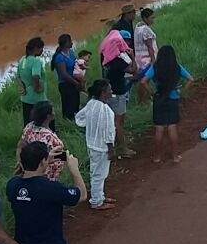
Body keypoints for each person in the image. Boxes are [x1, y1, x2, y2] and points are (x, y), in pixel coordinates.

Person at [139, 46, 194, 164]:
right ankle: (175, 156)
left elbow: (143, 81)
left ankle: (157, 157)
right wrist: (182, 91)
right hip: (173, 99)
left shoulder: (155, 67)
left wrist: (152, 92)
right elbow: (190, 79)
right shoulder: (176, 67)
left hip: (159, 99)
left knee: (159, 128)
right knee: (172, 127)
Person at [75, 80, 117, 210]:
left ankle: (100, 196)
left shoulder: (91, 104)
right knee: (100, 175)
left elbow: (80, 119)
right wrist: (111, 149)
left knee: (96, 173)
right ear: (103, 92)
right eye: (109, 89)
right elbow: (108, 132)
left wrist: (92, 128)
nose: (111, 91)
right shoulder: (106, 110)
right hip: (102, 147)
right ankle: (97, 201)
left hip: (92, 144)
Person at [99, 30, 135, 158]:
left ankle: (110, 148)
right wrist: (131, 57)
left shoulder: (105, 56)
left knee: (110, 122)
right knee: (118, 122)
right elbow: (133, 70)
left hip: (107, 93)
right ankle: (122, 148)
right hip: (119, 92)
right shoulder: (119, 60)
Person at [17, 101, 67, 181]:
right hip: (46, 175)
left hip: (29, 170)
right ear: (48, 116)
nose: (54, 113)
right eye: (53, 111)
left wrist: (20, 162)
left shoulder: (29, 127)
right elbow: (60, 160)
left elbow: (21, 144)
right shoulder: (51, 138)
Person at [51, 34, 83, 120]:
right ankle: (68, 123)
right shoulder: (60, 58)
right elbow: (64, 75)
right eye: (70, 41)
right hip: (66, 85)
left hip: (74, 82)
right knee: (68, 107)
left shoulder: (71, 52)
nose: (72, 43)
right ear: (66, 43)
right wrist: (76, 83)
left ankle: (76, 121)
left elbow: (75, 64)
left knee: (75, 104)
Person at [17, 37, 46, 125]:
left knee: (28, 123)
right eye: (41, 48)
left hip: (25, 97)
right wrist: (37, 88)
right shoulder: (35, 61)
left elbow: (18, 76)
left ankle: (28, 138)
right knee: (41, 122)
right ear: (36, 48)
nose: (42, 51)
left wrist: (22, 87)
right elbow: (35, 76)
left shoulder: (22, 59)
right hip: (37, 99)